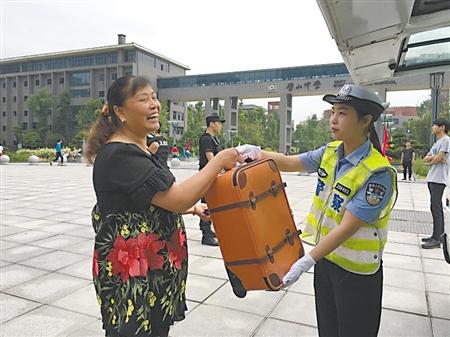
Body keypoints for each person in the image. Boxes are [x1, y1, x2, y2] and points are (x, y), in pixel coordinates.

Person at [239, 84, 397, 337]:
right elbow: (292, 162)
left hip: (356, 273)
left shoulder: (378, 172)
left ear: (366, 120)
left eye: (342, 113)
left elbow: (347, 227)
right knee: (328, 330)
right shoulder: (331, 151)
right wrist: (258, 153)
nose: (333, 119)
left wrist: (306, 261)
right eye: (332, 112)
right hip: (327, 262)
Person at [85, 76, 239, 337]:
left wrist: (193, 210)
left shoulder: (140, 147)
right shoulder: (119, 153)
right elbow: (177, 197)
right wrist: (220, 161)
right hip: (134, 273)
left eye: (154, 97)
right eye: (143, 99)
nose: (154, 104)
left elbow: (149, 200)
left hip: (152, 267)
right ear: (120, 112)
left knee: (156, 329)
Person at [421, 118, 450, 249]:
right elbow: (426, 159)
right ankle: (436, 236)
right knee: (434, 207)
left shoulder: (446, 141)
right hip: (432, 178)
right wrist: (434, 159)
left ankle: (437, 239)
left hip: (439, 179)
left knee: (436, 207)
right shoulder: (437, 143)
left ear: (442, 127)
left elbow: (438, 158)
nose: (432, 127)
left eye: (434, 125)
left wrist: (433, 159)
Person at [198, 113, 226, 246]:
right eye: (219, 123)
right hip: (207, 175)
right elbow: (211, 159)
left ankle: (208, 229)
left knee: (212, 203)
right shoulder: (206, 139)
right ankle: (205, 234)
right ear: (212, 124)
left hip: (212, 176)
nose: (220, 126)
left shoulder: (214, 139)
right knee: (206, 204)